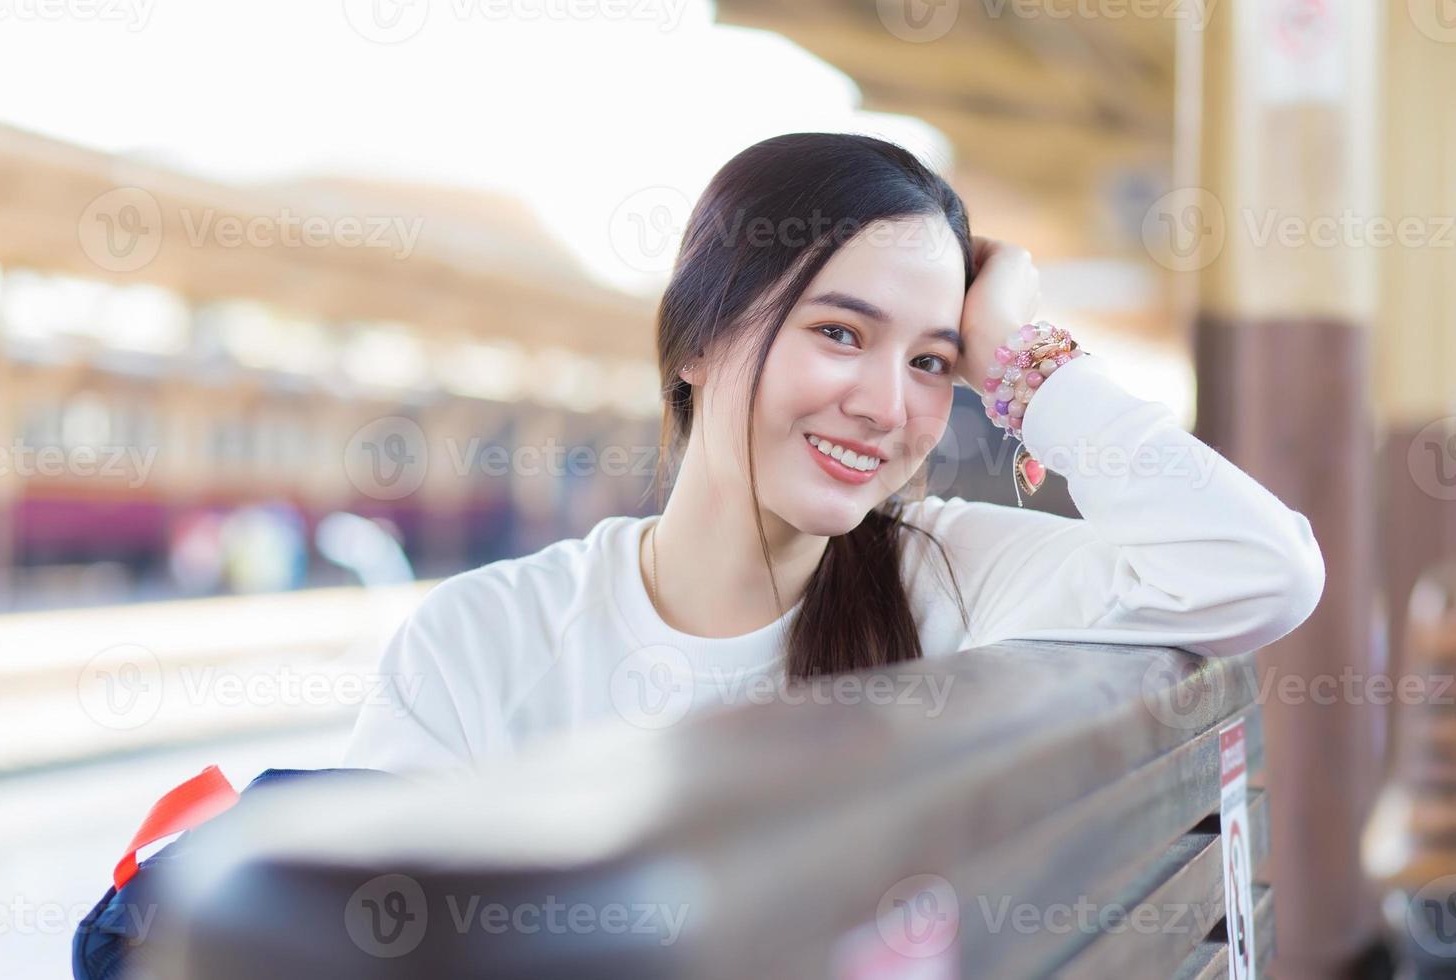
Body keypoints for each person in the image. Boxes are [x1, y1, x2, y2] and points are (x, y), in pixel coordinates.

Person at [342, 132, 1325, 777]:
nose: (887, 405)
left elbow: (1261, 568)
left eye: (936, 359)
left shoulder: (954, 579)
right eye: (842, 334)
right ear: (697, 340)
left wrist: (1025, 356)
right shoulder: (482, 642)